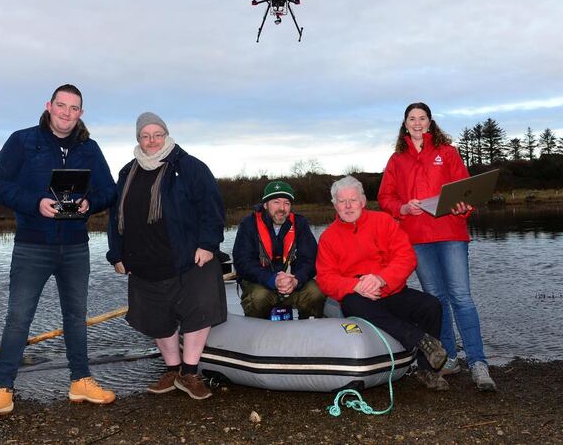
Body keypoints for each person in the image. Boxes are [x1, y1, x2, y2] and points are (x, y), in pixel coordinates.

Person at [0, 84, 118, 425]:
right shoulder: (22, 141)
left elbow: (110, 190)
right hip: (32, 244)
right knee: (18, 318)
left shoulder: (89, 149)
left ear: (81, 113)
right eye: (61, 105)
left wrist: (89, 203)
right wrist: (34, 203)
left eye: (74, 107)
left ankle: (80, 381)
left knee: (75, 316)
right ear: (49, 106)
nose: (66, 113)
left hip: (76, 245)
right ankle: (2, 391)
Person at [107, 112, 226, 401]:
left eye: (157, 134)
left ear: (167, 135)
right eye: (145, 135)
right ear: (138, 138)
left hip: (190, 258)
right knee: (157, 318)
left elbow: (212, 209)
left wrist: (208, 244)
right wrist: (116, 253)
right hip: (144, 261)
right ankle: (173, 371)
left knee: (198, 312)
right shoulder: (127, 172)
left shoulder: (190, 167)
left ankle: (190, 372)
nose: (152, 140)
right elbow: (115, 217)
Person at [378, 102, 496, 392]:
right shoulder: (397, 160)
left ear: (430, 123)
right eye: (412, 118)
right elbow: (385, 198)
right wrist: (403, 207)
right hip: (417, 238)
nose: (417, 123)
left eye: (422, 118)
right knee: (436, 299)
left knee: (461, 297)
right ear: (405, 124)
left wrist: (462, 207)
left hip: (451, 233)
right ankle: (450, 358)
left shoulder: (448, 153)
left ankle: (479, 364)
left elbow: (467, 191)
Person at [316, 176, 450, 390]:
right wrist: (355, 285)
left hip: (391, 291)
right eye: (342, 201)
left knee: (431, 305)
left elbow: (406, 257)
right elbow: (325, 278)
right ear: (335, 205)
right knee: (351, 302)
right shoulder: (328, 237)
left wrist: (381, 279)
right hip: (361, 300)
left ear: (362, 201)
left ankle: (427, 371)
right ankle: (419, 339)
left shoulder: (384, 222)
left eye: (353, 200)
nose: (348, 206)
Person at [232, 180, 325, 319]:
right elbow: (243, 262)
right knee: (258, 297)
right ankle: (259, 332)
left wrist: (296, 280)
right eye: (276, 202)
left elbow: (310, 259)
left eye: (287, 203)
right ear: (265, 204)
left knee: (316, 292)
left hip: (292, 284)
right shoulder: (249, 224)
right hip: (262, 283)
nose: (282, 208)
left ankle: (308, 328)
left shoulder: (300, 223)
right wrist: (272, 280)